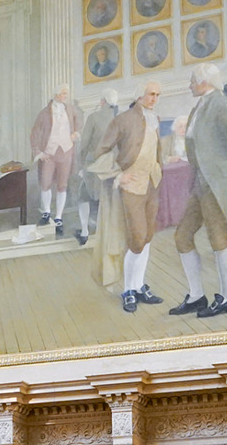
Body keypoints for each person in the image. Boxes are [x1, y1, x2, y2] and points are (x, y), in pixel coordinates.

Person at [171, 63, 227, 320]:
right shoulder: (201, 105)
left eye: (192, 81)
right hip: (202, 183)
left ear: (204, 82)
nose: (189, 86)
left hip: (219, 182)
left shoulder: (223, 105)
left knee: (219, 240)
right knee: (182, 236)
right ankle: (196, 295)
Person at [91, 80, 165, 311]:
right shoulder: (122, 120)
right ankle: (128, 290)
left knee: (147, 237)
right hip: (131, 186)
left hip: (151, 184)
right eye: (150, 94)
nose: (154, 98)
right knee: (135, 239)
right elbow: (99, 153)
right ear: (140, 96)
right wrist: (117, 175)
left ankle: (139, 285)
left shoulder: (155, 120)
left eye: (157, 95)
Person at [70, 87, 121, 245]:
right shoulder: (120, 117)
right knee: (110, 198)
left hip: (95, 165)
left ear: (102, 102)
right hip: (115, 165)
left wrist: (79, 163)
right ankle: (110, 233)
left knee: (83, 195)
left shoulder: (94, 117)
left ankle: (85, 232)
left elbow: (84, 144)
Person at [30, 85, 81, 235]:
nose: (65, 95)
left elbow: (78, 123)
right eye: (63, 93)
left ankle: (58, 216)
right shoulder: (44, 113)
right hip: (49, 153)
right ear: (56, 94)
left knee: (62, 185)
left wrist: (75, 134)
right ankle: (46, 212)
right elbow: (34, 133)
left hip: (65, 151)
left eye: (66, 93)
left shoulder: (70, 109)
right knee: (45, 183)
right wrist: (38, 152)